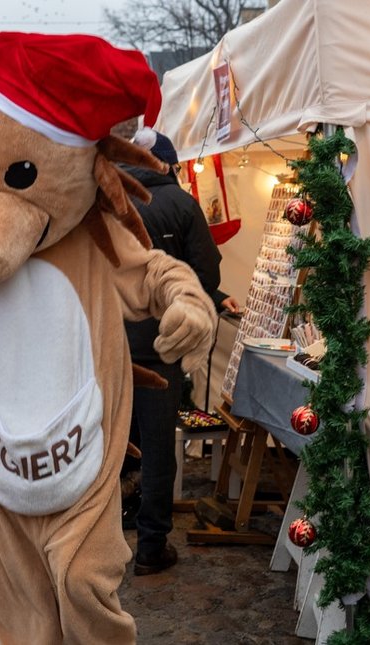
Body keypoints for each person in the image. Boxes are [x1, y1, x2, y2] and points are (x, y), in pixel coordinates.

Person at [121, 129, 225, 575]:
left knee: (109, 443)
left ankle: (103, 536)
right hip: (164, 347)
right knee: (160, 447)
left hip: (110, 344)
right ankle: (150, 545)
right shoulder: (183, 205)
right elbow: (206, 274)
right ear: (167, 163)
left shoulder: (109, 202)